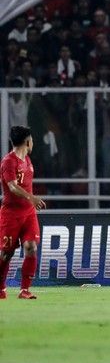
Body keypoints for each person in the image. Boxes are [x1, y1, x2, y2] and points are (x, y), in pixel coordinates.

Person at [0, 125, 44, 300]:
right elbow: (11, 186)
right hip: (10, 214)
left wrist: (30, 203)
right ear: (27, 141)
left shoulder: (27, 160)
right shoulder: (8, 161)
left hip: (28, 214)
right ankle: (0, 288)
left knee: (31, 247)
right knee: (6, 253)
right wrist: (31, 197)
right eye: (31, 139)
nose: (33, 142)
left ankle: (24, 290)